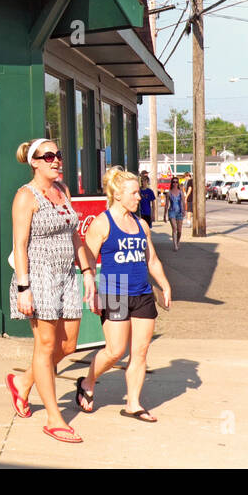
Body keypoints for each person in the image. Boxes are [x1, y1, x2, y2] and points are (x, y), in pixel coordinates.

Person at [5, 138, 98, 444]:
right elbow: (19, 245)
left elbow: (75, 237)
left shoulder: (63, 190)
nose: (56, 160)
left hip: (67, 276)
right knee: (46, 346)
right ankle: (54, 419)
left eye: (58, 155)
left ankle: (22, 381)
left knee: (69, 345)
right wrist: (23, 288)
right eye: (49, 156)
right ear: (34, 162)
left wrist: (87, 273)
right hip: (39, 276)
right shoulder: (25, 196)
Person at [75, 167, 173, 422]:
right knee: (115, 350)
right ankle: (88, 381)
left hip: (142, 291)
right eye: (134, 193)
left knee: (140, 352)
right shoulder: (102, 222)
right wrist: (92, 288)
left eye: (139, 192)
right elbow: (87, 256)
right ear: (118, 195)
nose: (139, 197)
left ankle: (133, 404)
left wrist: (164, 285)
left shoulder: (141, 224)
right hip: (113, 289)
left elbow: (151, 260)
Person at [166, 177, 186, 250]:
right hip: (172, 212)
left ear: (178, 183)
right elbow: (166, 204)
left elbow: (183, 202)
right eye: (173, 182)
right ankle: (175, 245)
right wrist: (165, 215)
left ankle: (178, 242)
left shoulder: (181, 192)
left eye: (176, 182)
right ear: (172, 183)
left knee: (179, 230)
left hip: (180, 212)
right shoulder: (169, 193)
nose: (175, 183)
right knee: (174, 228)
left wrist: (184, 211)